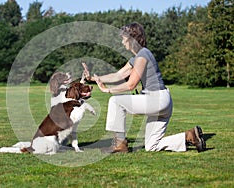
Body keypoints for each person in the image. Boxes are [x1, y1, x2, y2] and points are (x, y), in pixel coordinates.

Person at [83, 22, 206, 153]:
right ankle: (189, 136)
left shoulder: (142, 56)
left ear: (132, 39)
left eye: (124, 38)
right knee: (151, 146)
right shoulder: (138, 57)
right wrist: (94, 79)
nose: (122, 42)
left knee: (115, 102)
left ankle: (120, 144)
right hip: (162, 102)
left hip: (156, 100)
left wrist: (108, 90)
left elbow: (131, 85)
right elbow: (118, 75)